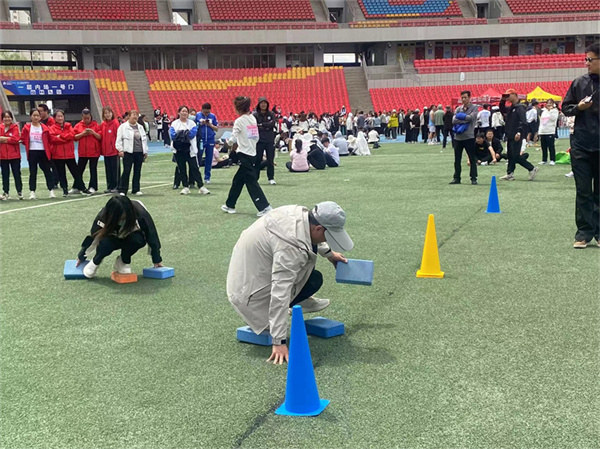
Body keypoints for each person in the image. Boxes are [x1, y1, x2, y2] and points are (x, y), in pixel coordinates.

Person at [226, 201, 352, 364]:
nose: (329, 240)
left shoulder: (298, 214)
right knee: (303, 270)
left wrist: (329, 253)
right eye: (329, 236)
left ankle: (295, 301)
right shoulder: (290, 247)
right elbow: (280, 291)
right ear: (319, 228)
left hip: (247, 281)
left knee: (313, 277)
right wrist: (278, 341)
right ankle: (281, 309)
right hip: (249, 297)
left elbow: (309, 236)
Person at [562, 43, 599, 248]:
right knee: (583, 190)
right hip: (581, 145)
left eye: (590, 59)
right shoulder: (578, 83)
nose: (586, 63)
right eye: (586, 59)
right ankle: (583, 233)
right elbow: (566, 108)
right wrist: (579, 107)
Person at [76, 195, 163, 278]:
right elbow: (93, 236)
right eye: (121, 215)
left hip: (130, 237)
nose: (124, 217)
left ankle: (123, 261)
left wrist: (156, 259)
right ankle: (96, 261)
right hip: (111, 238)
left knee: (138, 240)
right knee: (105, 244)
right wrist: (82, 255)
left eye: (126, 214)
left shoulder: (140, 213)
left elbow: (151, 234)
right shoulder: (103, 216)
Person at [221, 96, 271, 217]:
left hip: (243, 154)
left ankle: (264, 207)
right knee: (237, 180)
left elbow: (233, 138)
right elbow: (255, 137)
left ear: (238, 108)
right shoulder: (252, 118)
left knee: (251, 182)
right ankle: (230, 204)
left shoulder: (239, 121)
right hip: (252, 152)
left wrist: (228, 143)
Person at [499, 89, 539, 181]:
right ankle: (510, 173)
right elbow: (502, 110)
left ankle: (531, 168)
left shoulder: (520, 107)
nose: (507, 97)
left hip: (516, 134)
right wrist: (502, 100)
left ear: (514, 95)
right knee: (510, 155)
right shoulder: (512, 108)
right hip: (510, 133)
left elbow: (523, 121)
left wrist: (519, 132)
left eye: (509, 95)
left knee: (516, 155)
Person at [169, 105, 209, 195]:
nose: (184, 113)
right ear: (179, 112)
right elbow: (173, 135)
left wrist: (181, 134)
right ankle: (185, 187)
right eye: (182, 111)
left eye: (186, 111)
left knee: (194, 168)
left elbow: (192, 134)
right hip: (178, 150)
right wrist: (184, 134)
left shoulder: (192, 123)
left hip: (190, 149)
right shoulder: (174, 124)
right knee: (181, 168)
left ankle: (201, 186)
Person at [48, 109, 87, 197]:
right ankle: (65, 190)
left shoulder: (68, 125)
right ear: (54, 118)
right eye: (58, 116)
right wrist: (65, 138)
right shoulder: (52, 128)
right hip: (58, 155)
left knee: (76, 172)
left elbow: (72, 135)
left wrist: (60, 136)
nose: (60, 118)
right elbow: (53, 139)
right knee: (61, 173)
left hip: (69, 154)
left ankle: (82, 188)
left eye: (61, 116)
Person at [20, 109, 54, 199]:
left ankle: (51, 190)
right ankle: (32, 192)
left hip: (43, 152)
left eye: (37, 115)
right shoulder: (26, 127)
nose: (36, 117)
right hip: (32, 152)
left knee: (47, 171)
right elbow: (23, 139)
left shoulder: (45, 128)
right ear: (30, 116)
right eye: (34, 115)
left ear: (40, 117)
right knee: (33, 172)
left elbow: (49, 139)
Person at [116, 109, 148, 196]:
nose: (135, 117)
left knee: (137, 171)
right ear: (129, 116)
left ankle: (136, 189)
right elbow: (118, 140)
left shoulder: (140, 127)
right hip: (128, 152)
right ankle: (122, 189)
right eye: (133, 115)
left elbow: (144, 140)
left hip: (139, 152)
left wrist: (145, 151)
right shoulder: (123, 127)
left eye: (136, 115)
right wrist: (120, 150)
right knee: (126, 171)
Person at [450, 91, 478, 185]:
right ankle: (456, 178)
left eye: (465, 97)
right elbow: (454, 120)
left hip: (469, 137)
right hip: (458, 138)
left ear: (469, 98)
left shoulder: (474, 108)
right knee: (457, 159)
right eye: (462, 97)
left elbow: (471, 118)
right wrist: (465, 119)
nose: (463, 99)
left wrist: (460, 118)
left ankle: (473, 178)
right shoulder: (458, 108)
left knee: (472, 158)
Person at [73, 108, 102, 194]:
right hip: (82, 152)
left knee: (93, 169)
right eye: (84, 118)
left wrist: (93, 132)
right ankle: (77, 186)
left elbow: (100, 137)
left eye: (88, 118)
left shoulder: (96, 125)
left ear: (90, 117)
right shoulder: (78, 125)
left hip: (94, 151)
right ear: (82, 117)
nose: (86, 120)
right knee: (79, 170)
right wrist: (82, 134)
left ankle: (93, 187)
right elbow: (74, 137)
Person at [253, 97, 277, 185]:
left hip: (270, 140)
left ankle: (271, 178)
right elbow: (254, 126)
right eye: (261, 103)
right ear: (259, 104)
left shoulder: (271, 114)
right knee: (257, 160)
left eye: (265, 103)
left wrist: (262, 125)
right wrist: (266, 126)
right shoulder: (255, 115)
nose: (263, 105)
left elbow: (272, 124)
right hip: (259, 140)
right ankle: (255, 178)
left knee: (270, 160)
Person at [0, 111, 23, 200]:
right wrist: (9, 139)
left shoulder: (15, 127)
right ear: (2, 119)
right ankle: (6, 192)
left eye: (9, 117)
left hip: (15, 155)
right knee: (5, 175)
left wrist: (3, 139)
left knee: (17, 174)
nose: (7, 119)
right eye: (5, 117)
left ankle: (19, 192)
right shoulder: (0, 127)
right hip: (2, 155)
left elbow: (16, 139)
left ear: (11, 118)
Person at [196, 103, 218, 184]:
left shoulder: (213, 116)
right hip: (200, 139)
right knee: (198, 158)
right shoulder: (197, 115)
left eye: (208, 112)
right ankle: (196, 176)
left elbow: (216, 129)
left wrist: (210, 124)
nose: (206, 114)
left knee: (209, 159)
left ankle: (207, 177)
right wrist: (201, 123)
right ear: (202, 110)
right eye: (205, 112)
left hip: (210, 139)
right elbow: (194, 126)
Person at [100, 106, 120, 193]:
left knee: (115, 170)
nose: (107, 115)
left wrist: (119, 149)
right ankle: (109, 186)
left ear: (112, 113)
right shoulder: (103, 124)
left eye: (109, 113)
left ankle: (117, 186)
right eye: (105, 113)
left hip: (114, 151)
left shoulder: (115, 123)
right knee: (108, 170)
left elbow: (118, 137)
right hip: (106, 152)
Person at [538, 98, 559, 165]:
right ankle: (544, 160)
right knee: (543, 147)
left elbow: (553, 118)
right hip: (543, 131)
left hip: (550, 131)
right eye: (548, 103)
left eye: (550, 103)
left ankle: (552, 159)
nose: (549, 104)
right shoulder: (544, 111)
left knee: (551, 147)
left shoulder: (555, 111)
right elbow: (542, 121)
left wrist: (550, 110)